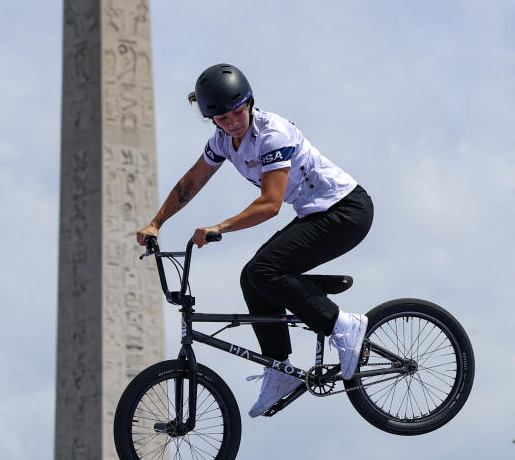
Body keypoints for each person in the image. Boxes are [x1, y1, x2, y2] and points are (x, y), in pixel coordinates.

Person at [136, 63, 374, 418]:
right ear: (211, 119)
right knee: (253, 277)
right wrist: (156, 222)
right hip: (316, 214)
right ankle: (280, 369)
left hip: (345, 211)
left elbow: (270, 204)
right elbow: (192, 181)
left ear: (250, 102)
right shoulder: (222, 142)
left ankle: (343, 325)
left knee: (265, 269)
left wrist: (220, 226)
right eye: (222, 118)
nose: (232, 122)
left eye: (237, 112)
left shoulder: (271, 134)